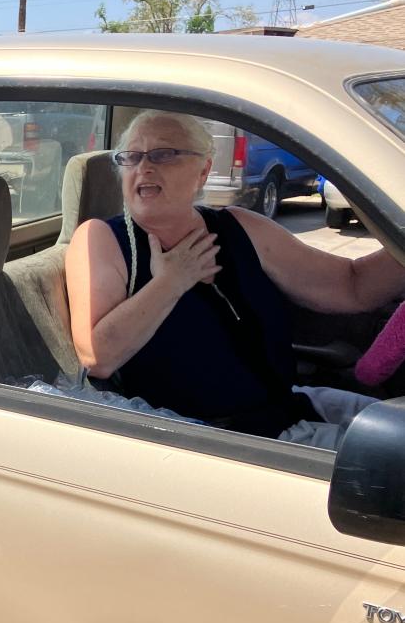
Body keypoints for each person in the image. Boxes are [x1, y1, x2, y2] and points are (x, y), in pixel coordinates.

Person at [64, 109, 405, 447]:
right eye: (132, 156)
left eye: (164, 154)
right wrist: (173, 280)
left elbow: (351, 285)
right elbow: (99, 357)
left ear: (204, 171)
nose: (144, 166)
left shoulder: (239, 226)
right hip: (222, 441)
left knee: (394, 424)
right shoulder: (101, 238)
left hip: (288, 406)